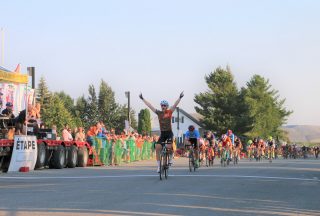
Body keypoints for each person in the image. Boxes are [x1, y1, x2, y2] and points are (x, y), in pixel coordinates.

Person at [139, 91, 184, 173]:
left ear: (166, 106)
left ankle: (170, 158)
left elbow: (175, 104)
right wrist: (143, 99)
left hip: (169, 133)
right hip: (163, 134)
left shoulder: (169, 112)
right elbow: (150, 106)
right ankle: (159, 166)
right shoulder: (159, 113)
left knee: (169, 147)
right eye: (162, 105)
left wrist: (180, 97)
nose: (163, 106)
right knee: (157, 148)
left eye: (164, 105)